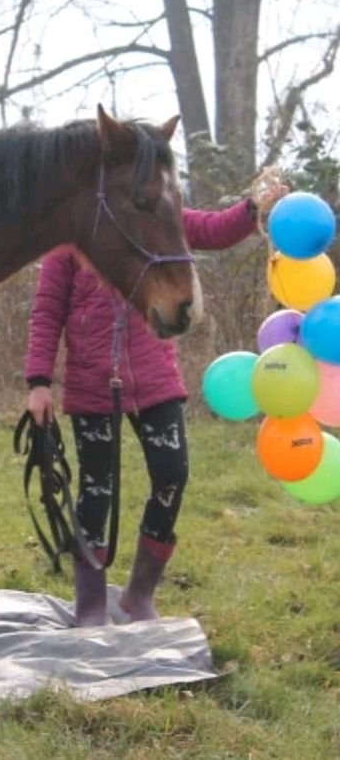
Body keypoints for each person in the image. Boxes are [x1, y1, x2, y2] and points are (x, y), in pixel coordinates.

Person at [24, 177, 289, 626]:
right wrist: (39, 381)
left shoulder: (159, 217)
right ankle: (89, 604)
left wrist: (252, 208)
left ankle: (139, 594)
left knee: (172, 475)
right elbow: (47, 310)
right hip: (92, 383)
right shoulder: (69, 239)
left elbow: (211, 230)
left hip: (155, 379)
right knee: (96, 490)